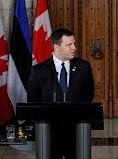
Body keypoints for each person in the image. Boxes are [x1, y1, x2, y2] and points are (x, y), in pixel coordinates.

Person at [27, 28, 95, 159]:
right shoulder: (39, 71)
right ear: (56, 47)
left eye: (74, 43)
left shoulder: (84, 67)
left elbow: (88, 95)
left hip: (77, 130)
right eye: (69, 45)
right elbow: (33, 100)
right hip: (48, 132)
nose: (74, 48)